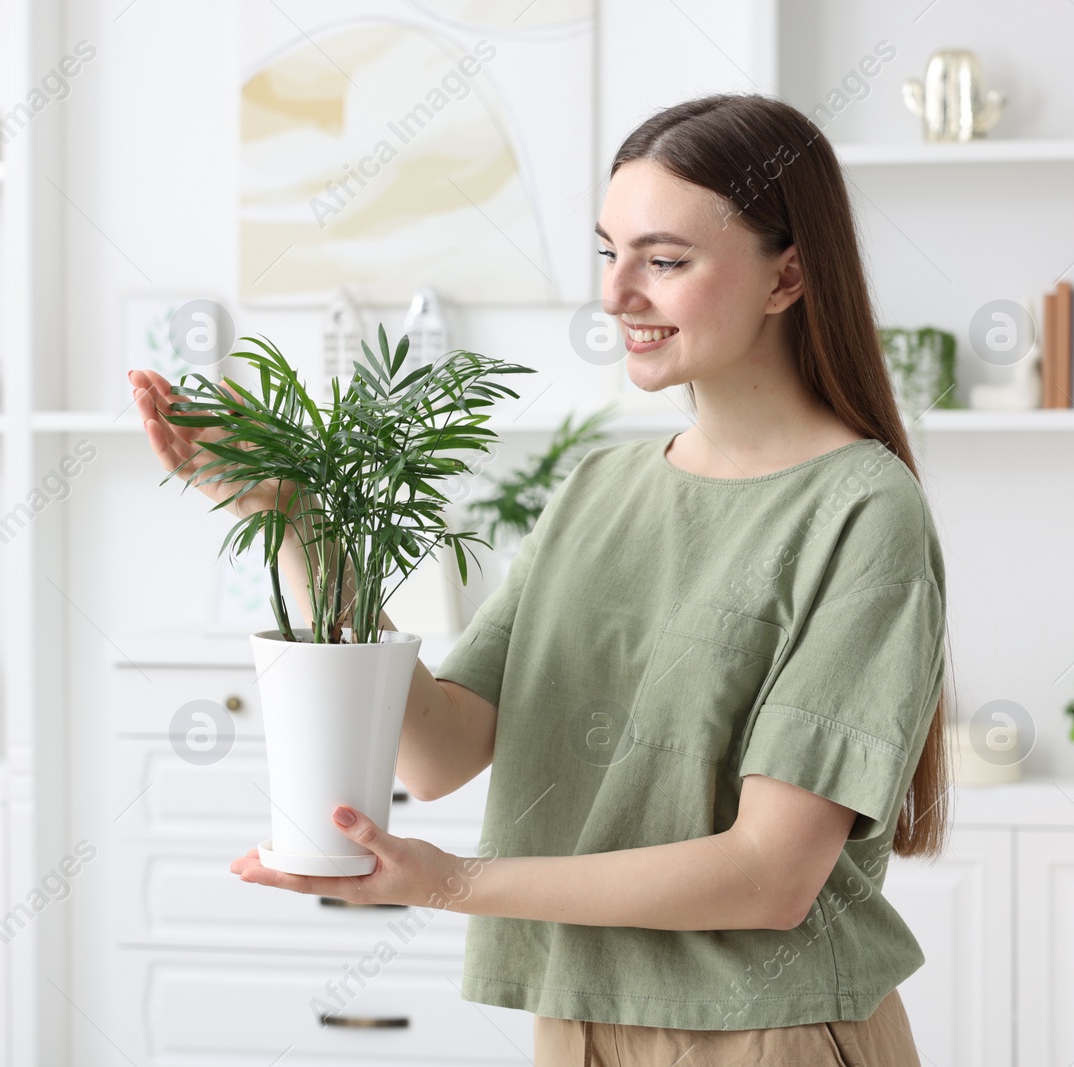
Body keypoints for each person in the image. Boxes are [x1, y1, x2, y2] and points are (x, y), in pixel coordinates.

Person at [129, 92, 952, 1067]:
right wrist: (290, 513)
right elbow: (436, 748)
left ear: (788, 276)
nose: (615, 295)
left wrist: (453, 882)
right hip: (574, 1023)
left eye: (665, 259)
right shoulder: (598, 487)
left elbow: (767, 875)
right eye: (609, 253)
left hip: (765, 1032)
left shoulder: (861, 509)